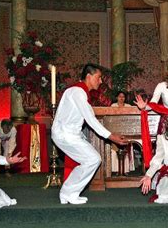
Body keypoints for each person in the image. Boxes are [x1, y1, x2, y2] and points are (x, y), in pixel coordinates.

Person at [52, 63, 128, 205]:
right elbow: (90, 119)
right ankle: (67, 192)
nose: (100, 81)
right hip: (65, 135)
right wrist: (111, 137)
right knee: (93, 159)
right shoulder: (78, 92)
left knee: (92, 159)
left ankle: (69, 193)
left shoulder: (78, 91)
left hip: (69, 134)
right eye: (98, 77)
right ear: (89, 76)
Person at [110, 91, 134, 174]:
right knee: (115, 149)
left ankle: (125, 170)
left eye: (123, 97)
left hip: (126, 130)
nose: (121, 98)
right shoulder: (113, 106)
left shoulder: (129, 106)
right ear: (117, 97)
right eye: (120, 96)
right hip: (115, 130)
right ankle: (115, 169)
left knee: (125, 149)